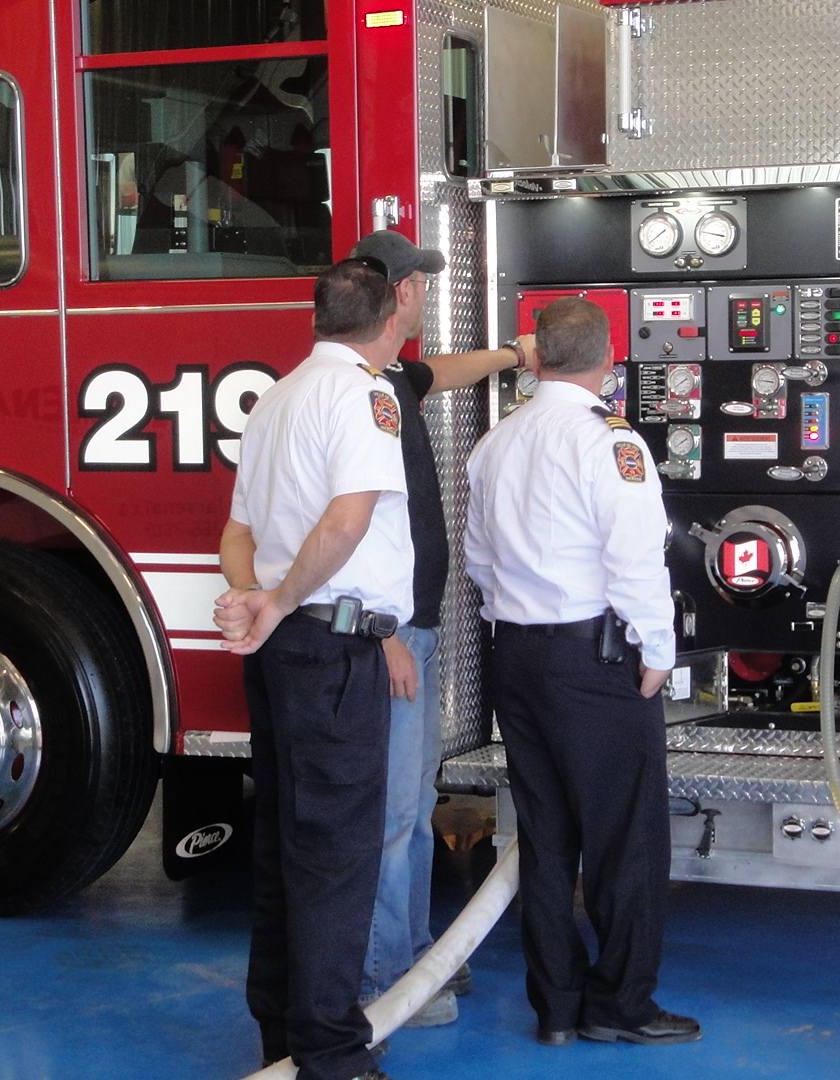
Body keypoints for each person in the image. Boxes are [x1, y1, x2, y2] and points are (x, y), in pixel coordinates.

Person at [462, 296, 701, 1048]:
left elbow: (477, 559)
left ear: (536, 357)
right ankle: (620, 1005)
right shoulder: (611, 441)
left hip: (517, 656)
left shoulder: (495, 443)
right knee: (625, 839)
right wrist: (657, 649)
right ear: (609, 358)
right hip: (594, 663)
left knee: (545, 838)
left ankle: (557, 1009)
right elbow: (635, 557)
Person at [213, 257, 418, 1080]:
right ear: (390, 318)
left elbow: (236, 533)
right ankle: (331, 1055)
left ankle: (284, 1033)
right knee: (335, 855)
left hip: (284, 650)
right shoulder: (366, 396)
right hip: (332, 649)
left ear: (316, 318)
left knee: (283, 844)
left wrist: (255, 598)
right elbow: (348, 520)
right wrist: (280, 599)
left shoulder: (276, 397)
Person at [345, 229, 534, 1028]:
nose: (426, 292)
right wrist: (385, 630)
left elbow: (443, 373)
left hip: (413, 630)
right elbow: (347, 528)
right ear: (400, 293)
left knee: (415, 807)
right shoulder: (356, 394)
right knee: (391, 816)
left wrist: (515, 356)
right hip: (386, 635)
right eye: (420, 282)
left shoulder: (394, 376)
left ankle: (417, 956)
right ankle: (383, 982)